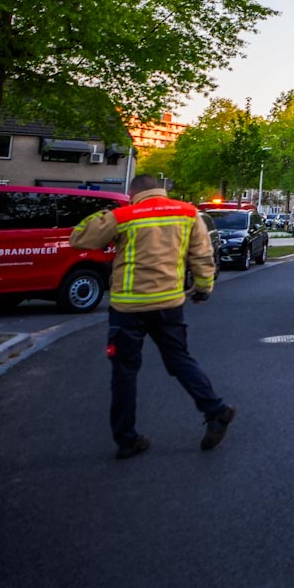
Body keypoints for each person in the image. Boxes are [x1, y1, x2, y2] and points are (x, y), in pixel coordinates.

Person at [70, 175, 235, 461]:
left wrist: (105, 211)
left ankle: (127, 439)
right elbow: (202, 254)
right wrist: (204, 288)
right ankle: (215, 409)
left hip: (128, 307)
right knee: (179, 360)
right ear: (162, 190)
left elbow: (79, 238)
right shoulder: (187, 212)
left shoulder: (123, 215)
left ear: (133, 192)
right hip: (168, 303)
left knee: (124, 373)